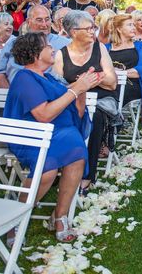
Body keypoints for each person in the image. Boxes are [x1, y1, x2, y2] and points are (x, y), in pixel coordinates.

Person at [3, 32, 100, 242]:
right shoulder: (24, 78)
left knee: (76, 152)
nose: (53, 49)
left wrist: (82, 87)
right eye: (47, 46)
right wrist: (75, 91)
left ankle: (60, 217)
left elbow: (78, 113)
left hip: (58, 135)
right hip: (31, 137)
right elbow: (44, 115)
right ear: (36, 54)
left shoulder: (49, 78)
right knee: (47, 169)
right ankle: (14, 220)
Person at [52, 11, 117, 195]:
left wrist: (87, 80)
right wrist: (81, 83)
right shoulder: (61, 55)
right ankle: (63, 168)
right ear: (73, 32)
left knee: (94, 118)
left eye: (93, 28)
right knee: (63, 121)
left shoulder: (100, 48)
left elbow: (112, 82)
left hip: (101, 100)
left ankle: (87, 175)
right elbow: (57, 88)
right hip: (72, 101)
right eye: (88, 28)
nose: (92, 32)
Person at [0, 5, 70, 87]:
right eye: (39, 20)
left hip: (57, 94)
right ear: (28, 22)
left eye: (47, 19)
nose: (44, 24)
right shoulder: (13, 44)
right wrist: (9, 93)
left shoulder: (66, 43)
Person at [106, 14, 142, 116]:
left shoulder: (139, 46)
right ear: (119, 29)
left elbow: (141, 70)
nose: (134, 28)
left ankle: (112, 118)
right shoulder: (106, 47)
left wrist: (117, 72)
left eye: (134, 25)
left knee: (115, 92)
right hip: (109, 83)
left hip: (132, 85)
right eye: (130, 25)